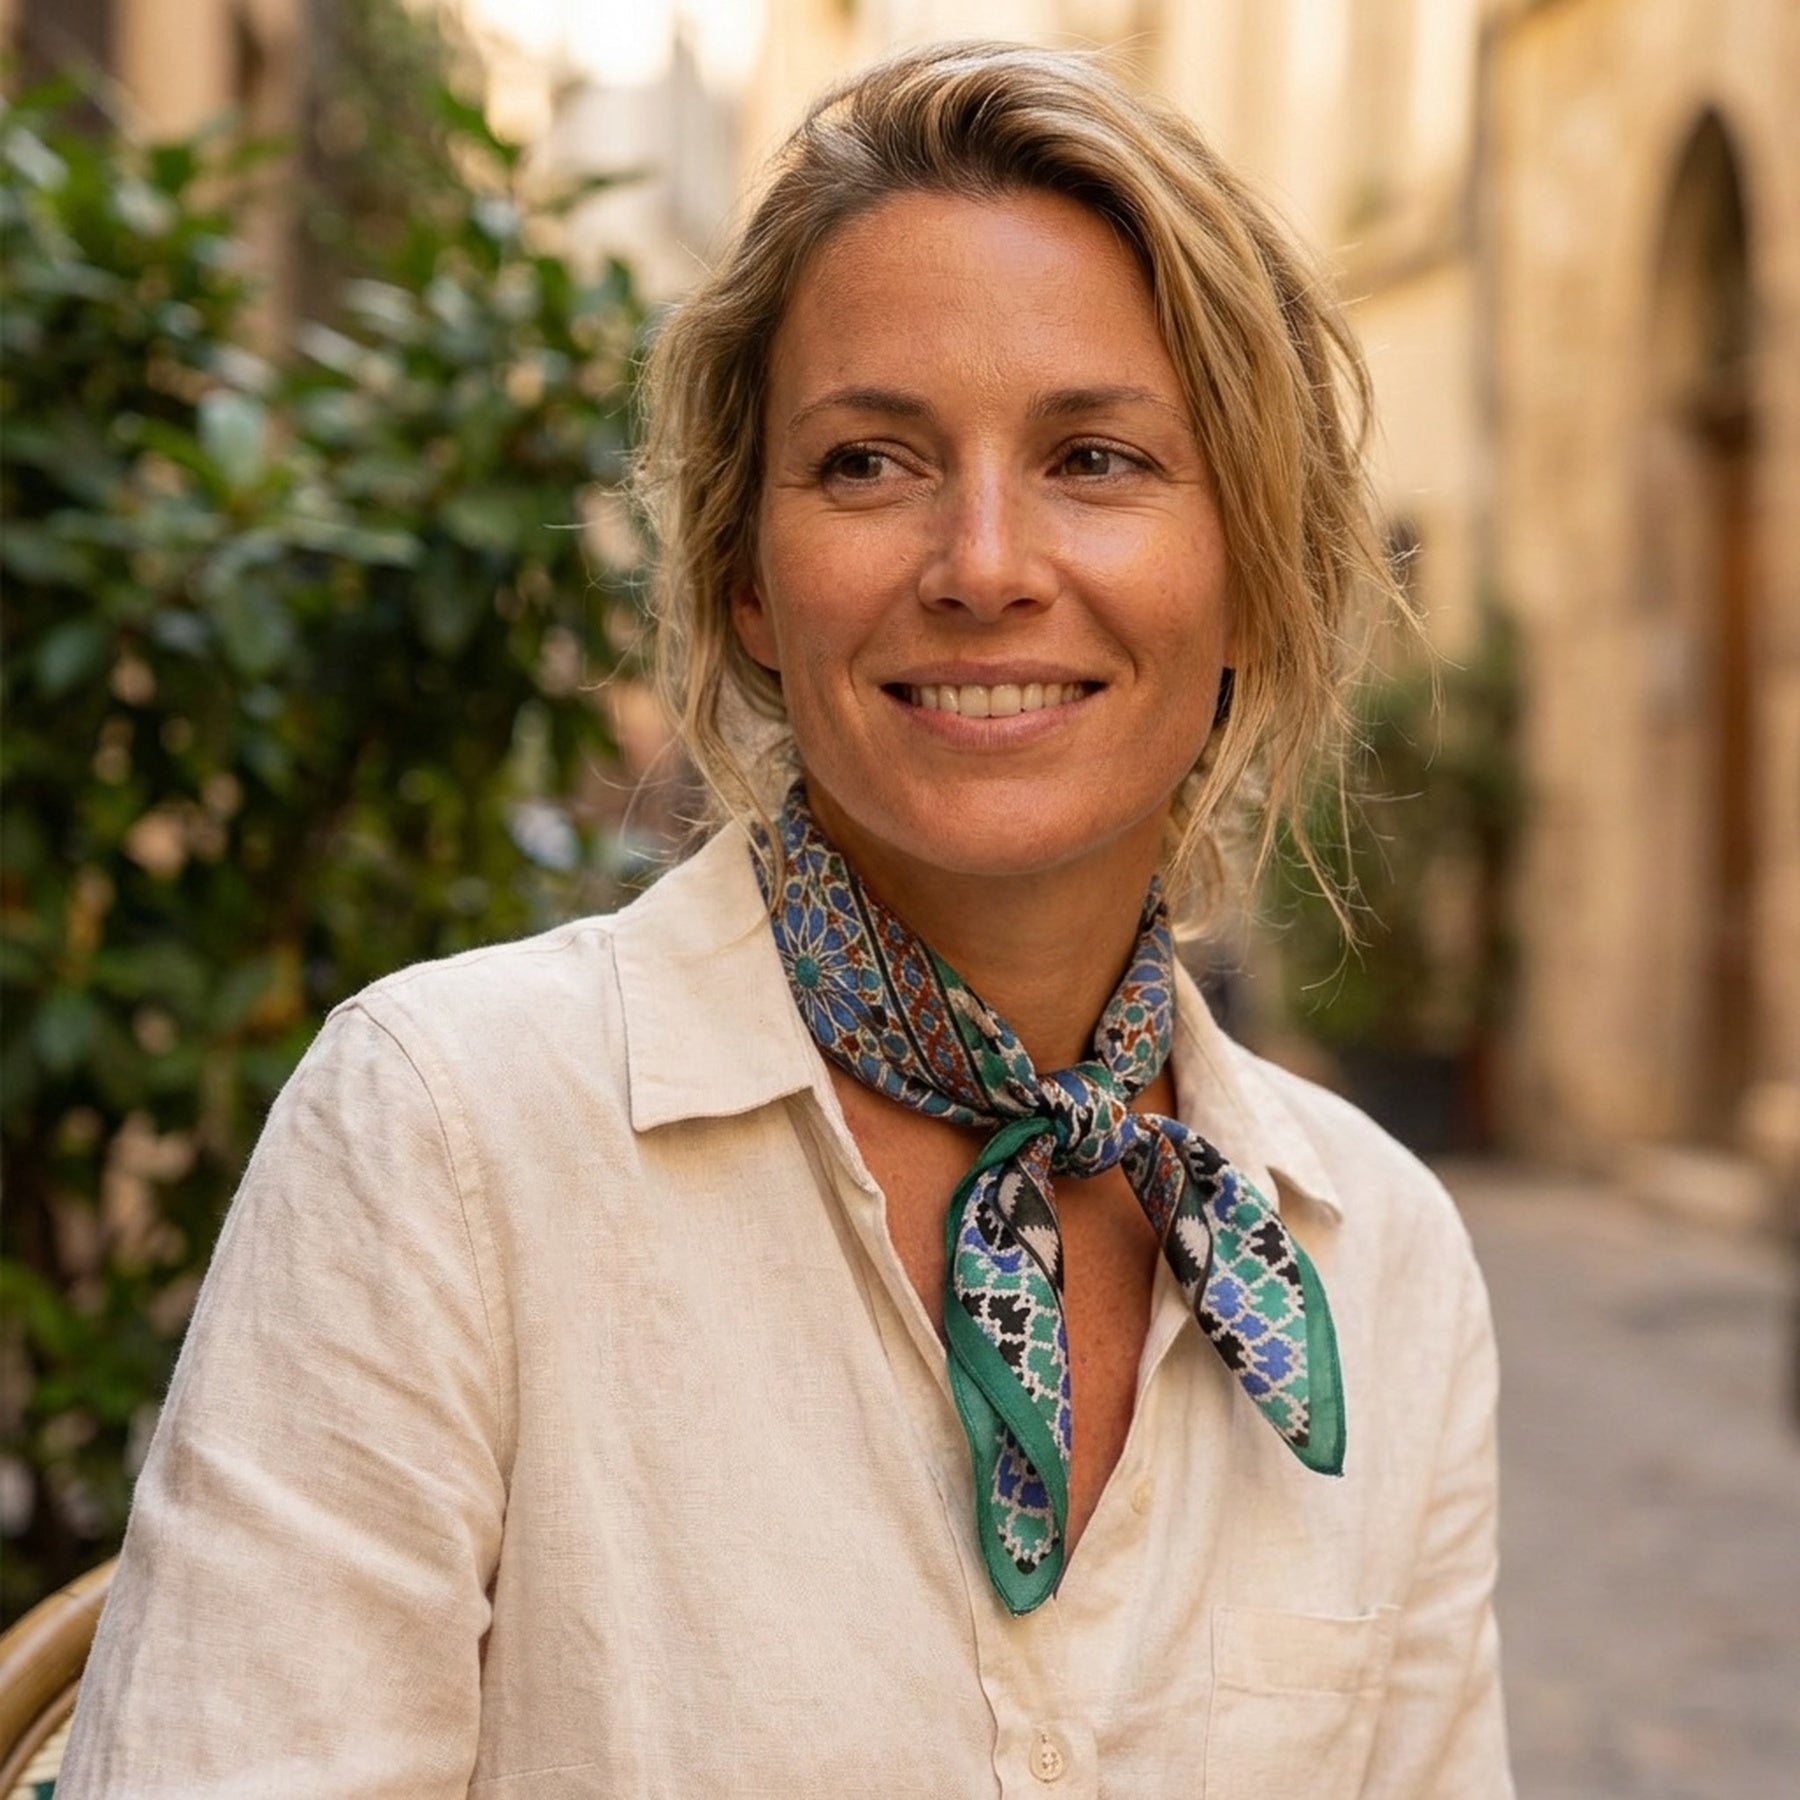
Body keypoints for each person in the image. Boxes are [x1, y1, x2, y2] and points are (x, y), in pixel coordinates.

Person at [59, 41, 1513, 1798]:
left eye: (1100, 458)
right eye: (872, 463)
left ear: (1252, 576)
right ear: (749, 575)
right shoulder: (447, 1141)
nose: (982, 562)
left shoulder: (1383, 1266)